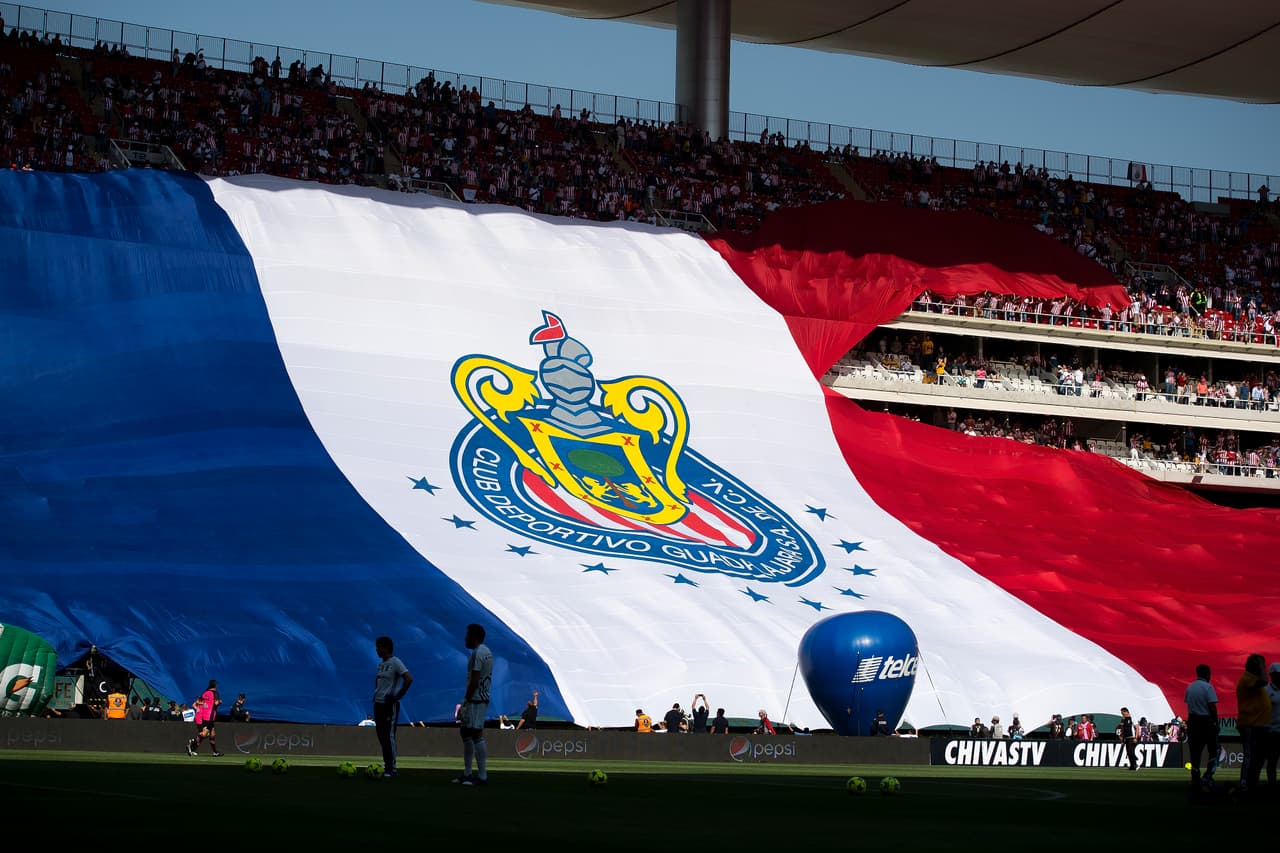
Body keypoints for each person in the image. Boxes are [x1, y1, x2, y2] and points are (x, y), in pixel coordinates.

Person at [454, 623, 492, 786]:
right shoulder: (486, 652)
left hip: (476, 699)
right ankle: (468, 773)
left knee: (476, 734)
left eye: (467, 635)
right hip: (478, 698)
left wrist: (466, 700)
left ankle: (482, 776)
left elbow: (475, 680)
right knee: (465, 732)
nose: (465, 638)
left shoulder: (479, 653)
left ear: (474, 637)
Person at [372, 636, 412, 779]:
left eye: (379, 646)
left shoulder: (396, 662)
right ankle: (387, 764)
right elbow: (378, 681)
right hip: (378, 704)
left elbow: (408, 678)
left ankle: (392, 767)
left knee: (389, 735)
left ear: (386, 648)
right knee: (381, 735)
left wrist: (398, 695)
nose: (377, 649)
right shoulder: (381, 665)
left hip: (389, 705)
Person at [1236, 653, 1271, 795]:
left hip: (1258, 724)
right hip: (1250, 723)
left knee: (1258, 756)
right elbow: (1264, 682)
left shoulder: (1251, 678)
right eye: (1261, 664)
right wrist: (1262, 667)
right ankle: (1244, 784)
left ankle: (1251, 783)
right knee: (1250, 755)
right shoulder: (1247, 678)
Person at [1184, 663, 1220, 790]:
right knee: (1214, 750)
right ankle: (1208, 775)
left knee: (1195, 752)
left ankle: (1195, 777)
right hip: (1206, 722)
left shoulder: (1190, 687)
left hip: (1193, 721)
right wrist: (1216, 723)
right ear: (1207, 674)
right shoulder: (1208, 687)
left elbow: (1188, 704)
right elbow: (1212, 707)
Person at [187, 679, 222, 757]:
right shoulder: (215, 693)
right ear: (215, 685)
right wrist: (219, 702)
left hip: (204, 716)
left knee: (212, 734)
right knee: (204, 734)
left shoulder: (204, 693)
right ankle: (192, 743)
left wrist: (200, 707)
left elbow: (197, 703)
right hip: (210, 717)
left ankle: (215, 752)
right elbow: (215, 703)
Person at [1265, 663, 1280, 788]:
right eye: (1278, 675)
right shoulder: (1266, 691)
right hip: (1272, 732)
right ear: (1272, 676)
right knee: (1272, 761)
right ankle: (1272, 785)